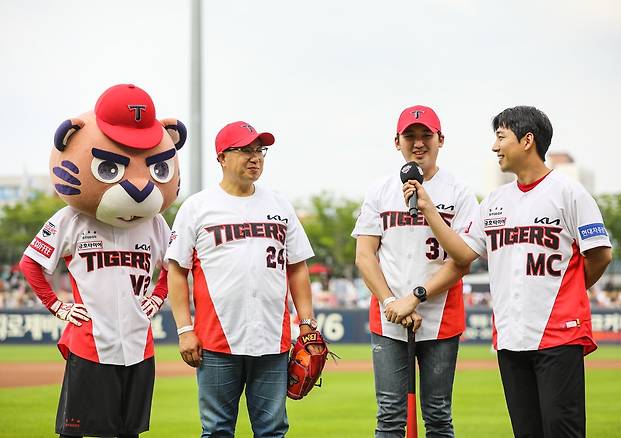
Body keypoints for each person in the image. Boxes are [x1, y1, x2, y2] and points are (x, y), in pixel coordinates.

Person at [399, 106, 613, 438]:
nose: (494, 146)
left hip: (559, 334)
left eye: (500, 137)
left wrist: (567, 291)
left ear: (527, 141)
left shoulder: (569, 192)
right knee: (526, 432)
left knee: (561, 430)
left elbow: (600, 255)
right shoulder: (495, 201)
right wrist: (428, 209)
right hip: (511, 338)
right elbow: (462, 254)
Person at [19, 83, 187, 437]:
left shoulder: (155, 221)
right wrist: (58, 307)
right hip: (90, 341)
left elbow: (174, 265)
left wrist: (158, 297)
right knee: (74, 432)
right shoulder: (71, 219)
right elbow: (30, 264)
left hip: (139, 342)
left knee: (129, 431)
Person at [165, 121, 318, 438]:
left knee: (273, 430)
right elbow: (177, 270)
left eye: (260, 150)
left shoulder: (279, 204)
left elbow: (297, 266)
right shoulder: (198, 207)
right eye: (245, 150)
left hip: (272, 340)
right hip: (216, 341)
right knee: (218, 430)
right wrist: (184, 329)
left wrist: (307, 322)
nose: (255, 157)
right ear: (221, 157)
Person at [352, 105, 479, 437]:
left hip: (441, 318)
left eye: (427, 135)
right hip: (389, 316)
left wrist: (416, 298)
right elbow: (365, 256)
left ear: (441, 140)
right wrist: (393, 301)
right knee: (390, 418)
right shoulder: (380, 190)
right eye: (410, 136)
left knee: (437, 417)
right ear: (397, 142)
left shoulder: (459, 192)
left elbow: (462, 260)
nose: (419, 143)